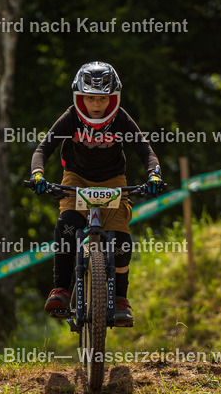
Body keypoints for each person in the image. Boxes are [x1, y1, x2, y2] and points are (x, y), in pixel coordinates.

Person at [28, 61, 164, 326]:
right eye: (90, 98)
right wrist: (38, 175)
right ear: (80, 98)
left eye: (103, 98)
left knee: (122, 241)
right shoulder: (71, 117)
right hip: (75, 179)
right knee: (68, 224)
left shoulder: (121, 118)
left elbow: (145, 151)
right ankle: (61, 290)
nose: (96, 105)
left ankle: (120, 299)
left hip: (113, 180)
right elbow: (42, 149)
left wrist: (154, 175)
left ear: (113, 98)